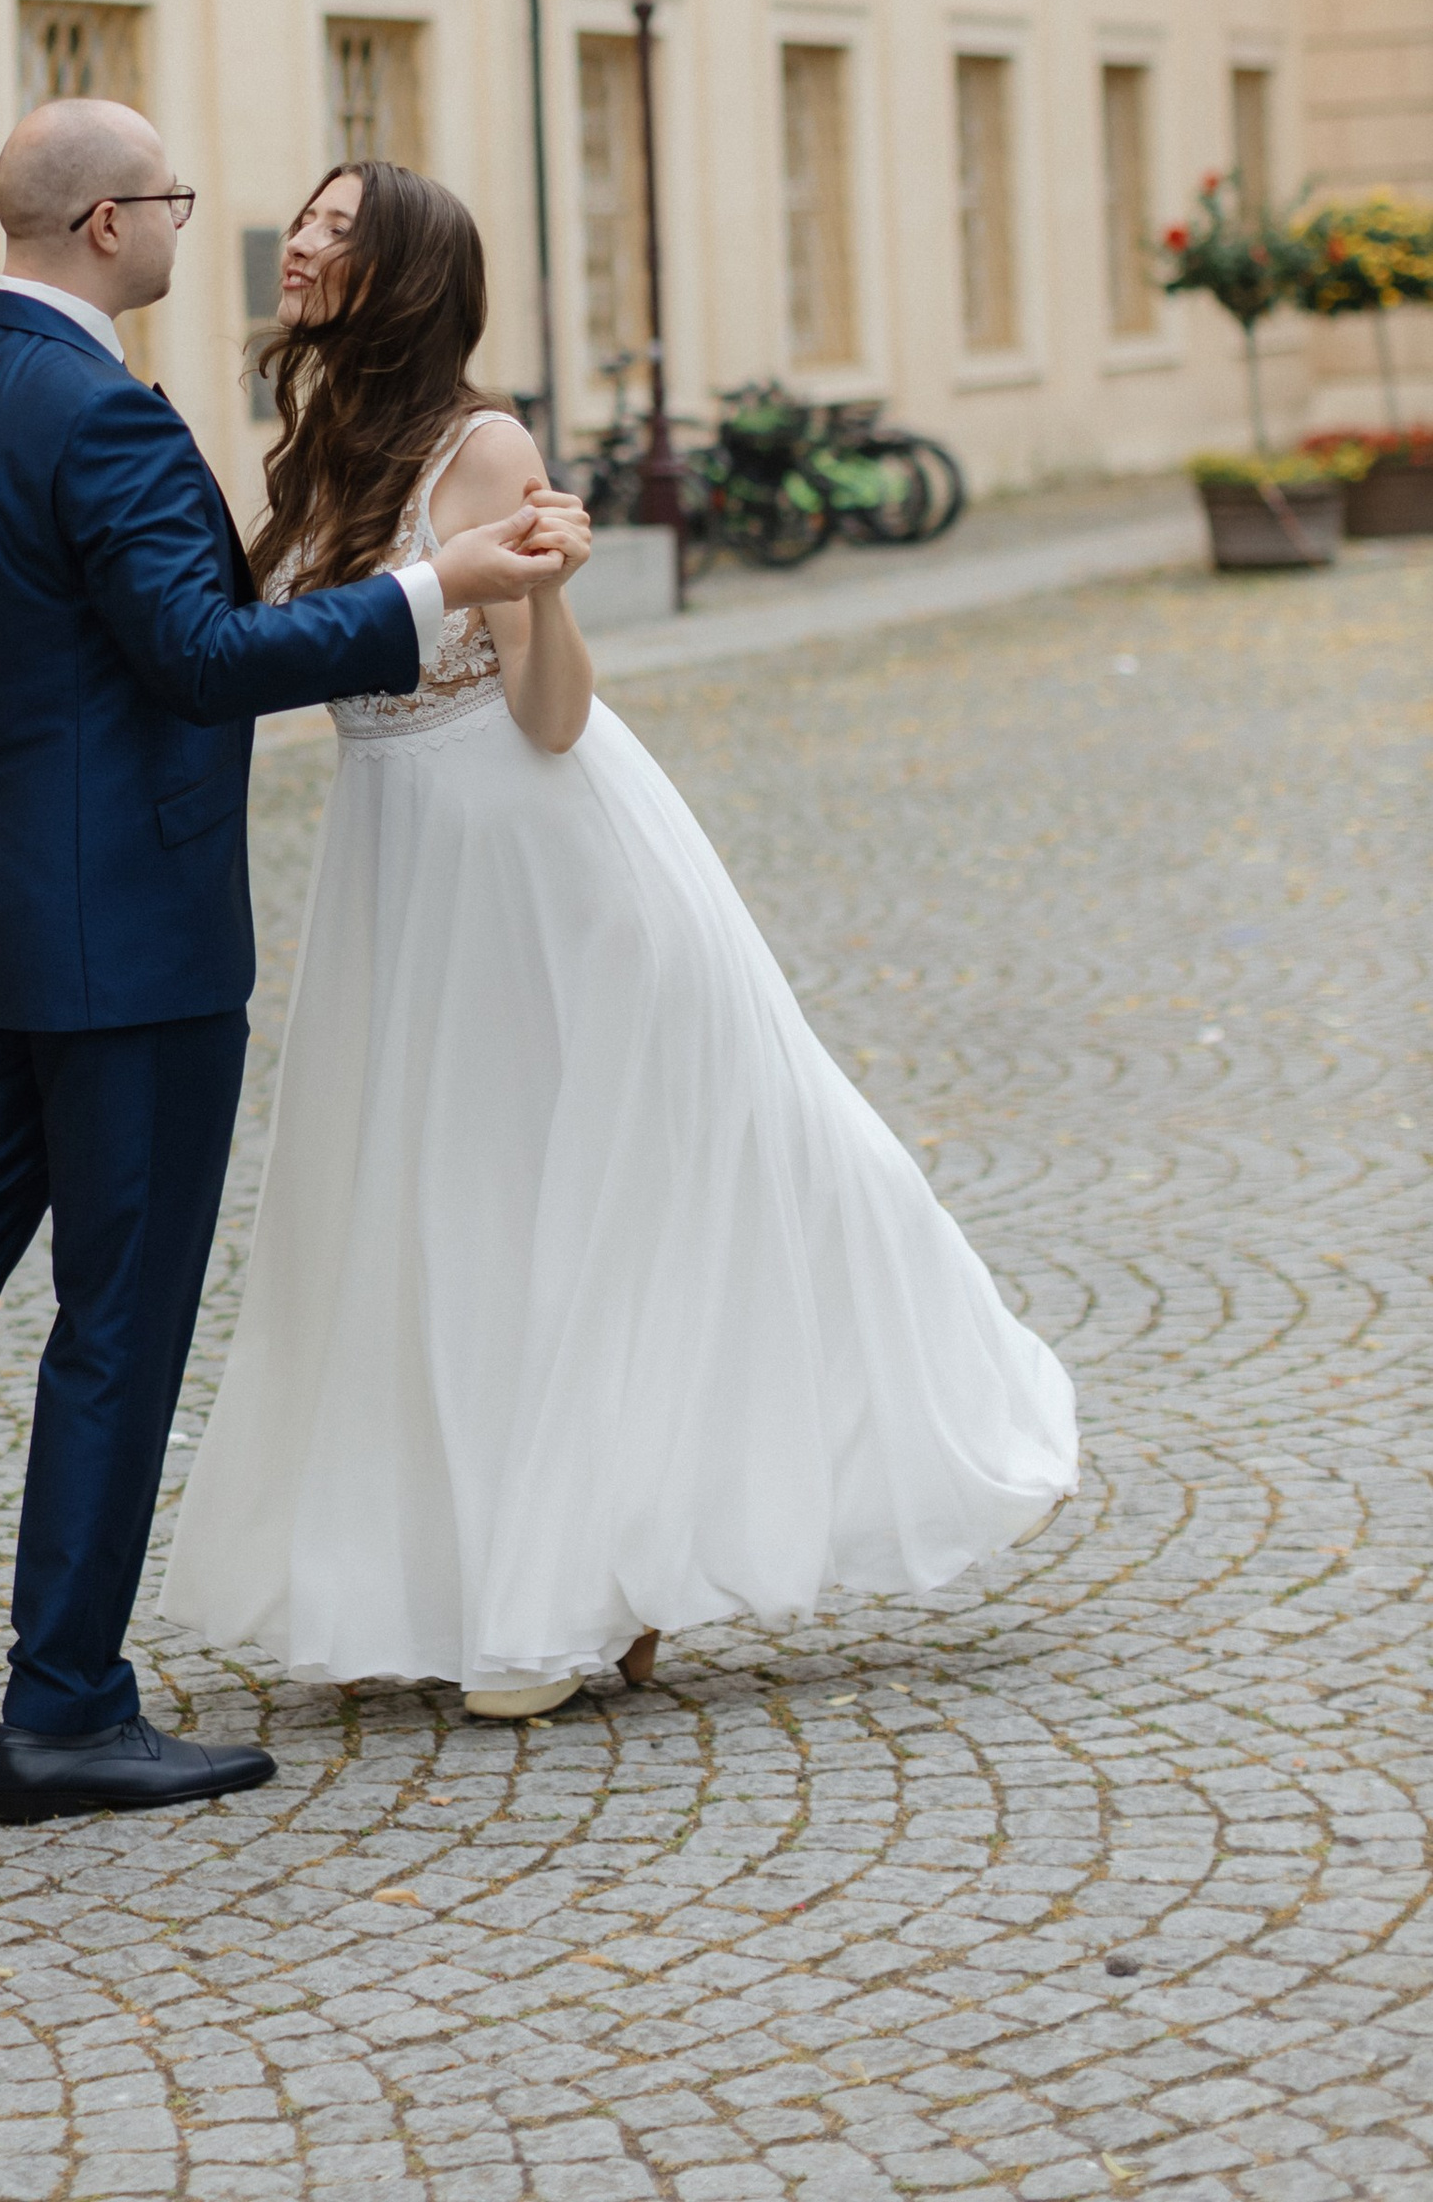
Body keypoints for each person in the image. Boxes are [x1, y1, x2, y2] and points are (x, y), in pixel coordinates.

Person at [0, 100, 574, 1823]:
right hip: (136, 948)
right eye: (173, 195)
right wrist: (430, 587)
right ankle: (69, 1706)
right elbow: (189, 658)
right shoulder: (102, 411)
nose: (199, 223)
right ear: (107, 224)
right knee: (117, 1315)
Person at [161, 160, 1078, 1718]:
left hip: (539, 852)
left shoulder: (484, 441)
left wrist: (556, 590)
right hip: (398, 859)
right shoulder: (310, 447)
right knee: (430, 1206)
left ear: (402, 272)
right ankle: (446, 1574)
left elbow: (551, 708)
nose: (301, 240)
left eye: (333, 227)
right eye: (303, 220)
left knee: (577, 1195)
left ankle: (582, 1583)